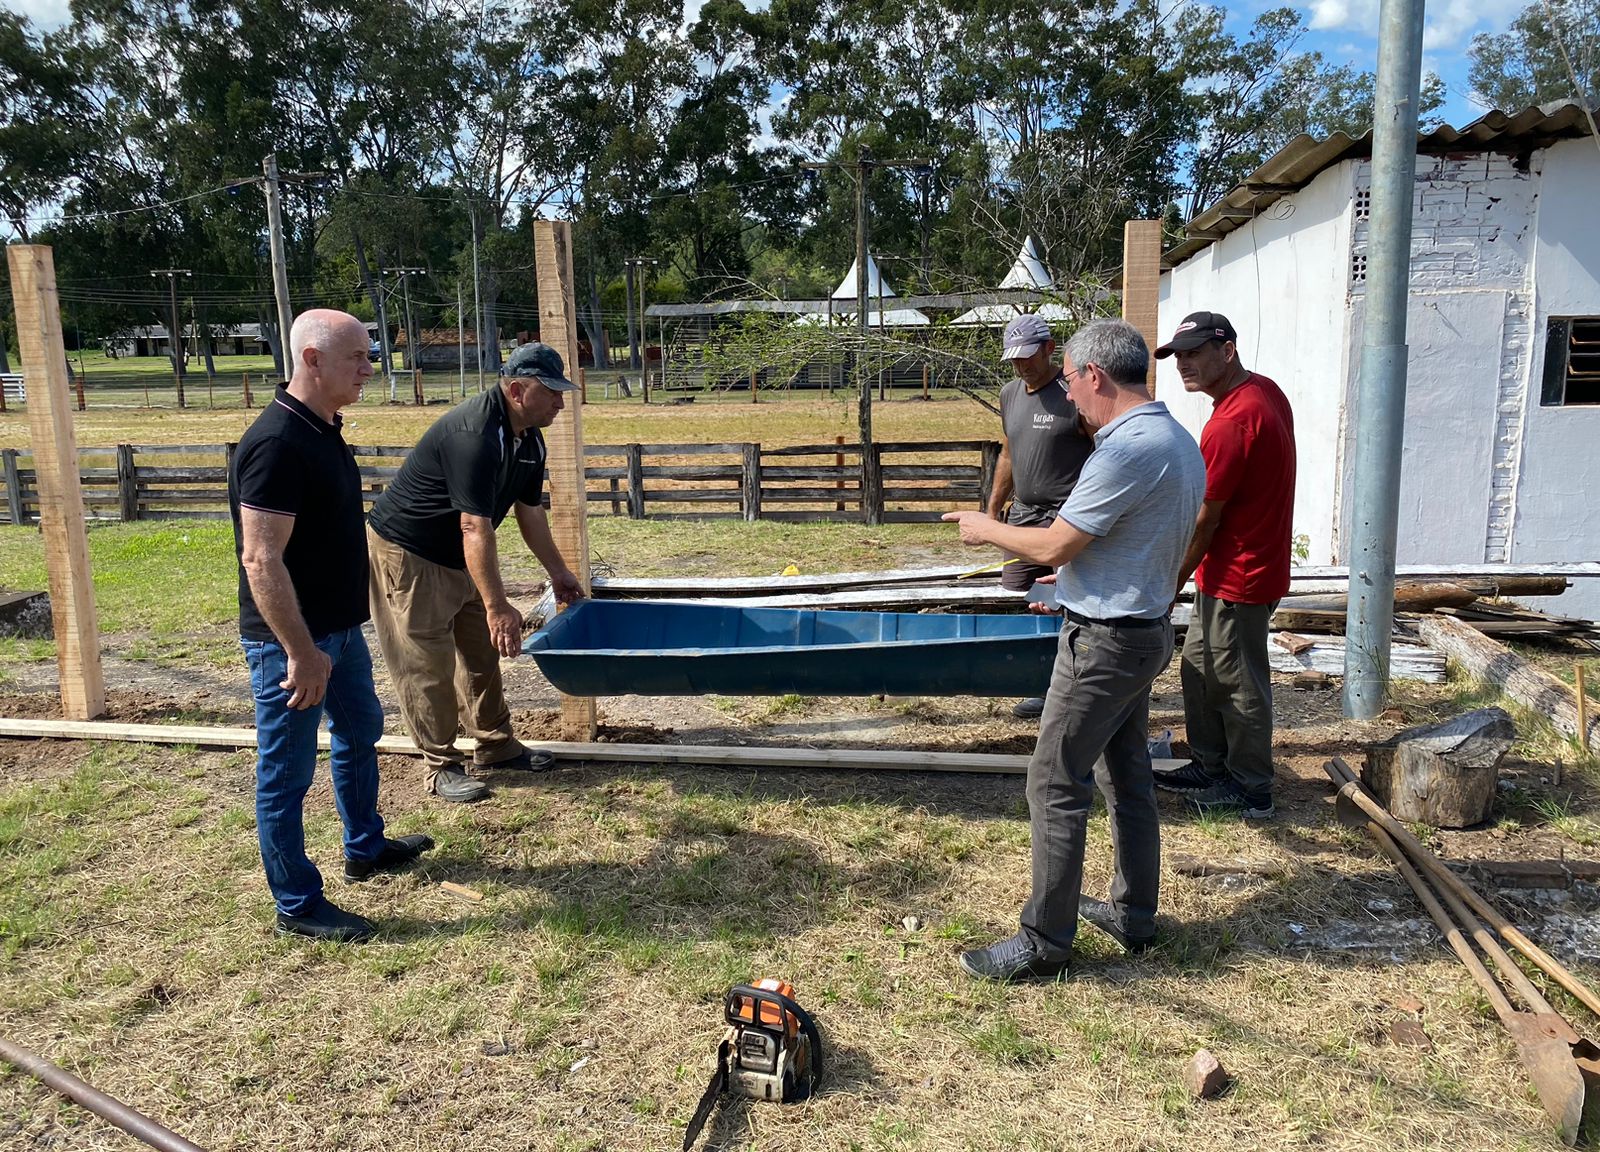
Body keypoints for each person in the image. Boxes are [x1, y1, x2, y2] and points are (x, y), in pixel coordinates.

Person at [943, 319, 1204, 982]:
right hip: (1142, 628)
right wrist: (1078, 583)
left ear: (1092, 374)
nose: (1071, 403)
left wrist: (987, 528)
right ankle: (1133, 913)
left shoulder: (1122, 450)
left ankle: (1045, 941)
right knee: (1126, 776)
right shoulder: (1176, 438)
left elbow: (1056, 540)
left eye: (1077, 387)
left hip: (1105, 646)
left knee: (1056, 781)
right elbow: (1135, 543)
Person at [229, 309, 433, 944]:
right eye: (358, 359)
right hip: (295, 645)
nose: (369, 370)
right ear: (312, 360)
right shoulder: (276, 444)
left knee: (360, 729)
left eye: (369, 357)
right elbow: (260, 558)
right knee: (286, 772)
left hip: (338, 632)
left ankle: (363, 846)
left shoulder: (323, 430)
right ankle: (296, 903)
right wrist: (299, 652)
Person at [367, 342, 586, 804]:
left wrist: (559, 573)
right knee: (426, 662)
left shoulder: (529, 438)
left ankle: (495, 744)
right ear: (517, 389)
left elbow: (530, 512)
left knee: (483, 652)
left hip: (462, 551)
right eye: (552, 393)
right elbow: (473, 523)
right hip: (411, 552)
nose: (561, 402)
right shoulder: (475, 435)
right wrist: (497, 603)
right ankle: (440, 765)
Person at [1151, 312, 1296, 819]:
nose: (1184, 365)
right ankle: (1210, 765)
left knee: (1237, 682)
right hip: (1237, 567)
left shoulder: (1232, 423)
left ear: (1227, 351)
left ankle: (1251, 787)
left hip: (1241, 574)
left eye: (1194, 353)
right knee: (1198, 668)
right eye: (1179, 356)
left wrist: (1169, 581)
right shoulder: (1263, 392)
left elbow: (1203, 521)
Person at [986, 313, 1095, 719]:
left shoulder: (1073, 394)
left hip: (1066, 519)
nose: (1022, 365)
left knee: (1066, 601)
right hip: (1024, 515)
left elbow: (1102, 450)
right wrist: (994, 508)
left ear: (1051, 348)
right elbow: (1010, 452)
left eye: (1029, 356)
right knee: (1027, 596)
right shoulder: (1010, 393)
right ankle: (1040, 680)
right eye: (1014, 359)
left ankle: (1070, 687)